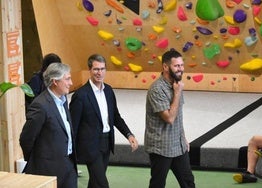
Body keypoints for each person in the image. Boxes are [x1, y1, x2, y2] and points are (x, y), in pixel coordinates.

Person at [69, 54, 139, 188]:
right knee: (102, 183)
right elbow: (73, 125)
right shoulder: (81, 95)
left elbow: (116, 117)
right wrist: (71, 153)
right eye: (96, 69)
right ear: (90, 70)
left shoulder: (108, 91)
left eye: (102, 69)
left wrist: (129, 135)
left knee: (95, 183)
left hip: (106, 143)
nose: (99, 73)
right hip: (90, 147)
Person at [20, 63, 77, 188]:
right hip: (47, 170)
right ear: (55, 81)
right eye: (67, 79)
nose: (71, 83)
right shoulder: (40, 105)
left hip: (68, 165)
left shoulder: (63, 99)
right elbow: (26, 138)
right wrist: (38, 159)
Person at [144, 49, 195, 188]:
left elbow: (178, 116)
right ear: (165, 67)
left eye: (182, 65)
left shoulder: (176, 85)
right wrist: (177, 93)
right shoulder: (157, 89)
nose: (181, 69)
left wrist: (183, 138)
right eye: (176, 66)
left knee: (188, 182)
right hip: (161, 147)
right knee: (158, 184)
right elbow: (170, 118)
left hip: (178, 145)